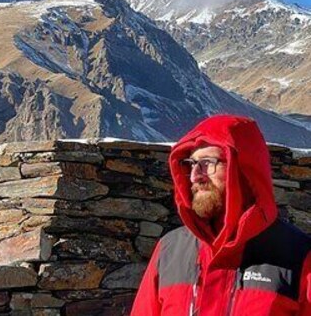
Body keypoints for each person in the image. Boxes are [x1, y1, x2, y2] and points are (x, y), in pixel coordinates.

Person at [131, 114, 311, 315]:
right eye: (191, 163)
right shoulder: (169, 251)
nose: (194, 176)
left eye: (207, 163)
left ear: (244, 169)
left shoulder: (300, 257)